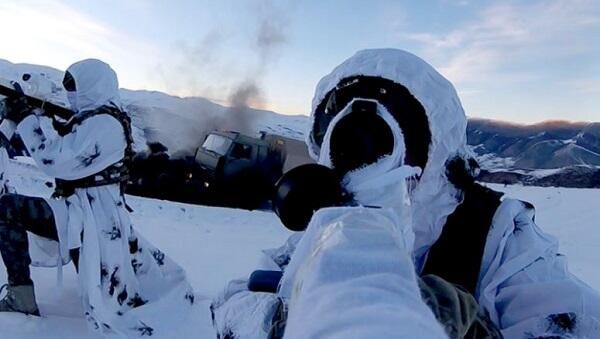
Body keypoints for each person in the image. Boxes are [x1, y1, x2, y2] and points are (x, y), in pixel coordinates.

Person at [212, 49, 600, 338]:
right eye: (342, 119)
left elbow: (572, 320)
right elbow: (229, 302)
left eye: (398, 122)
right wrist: (277, 318)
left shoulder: (496, 231)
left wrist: (467, 328)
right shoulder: (326, 224)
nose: (362, 144)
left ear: (435, 146)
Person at [0, 59, 194, 337]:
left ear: (93, 86)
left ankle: (21, 298)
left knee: (8, 208)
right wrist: (37, 115)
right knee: (98, 276)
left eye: (75, 87)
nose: (70, 94)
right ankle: (24, 294)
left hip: (91, 214)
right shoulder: (98, 117)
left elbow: (57, 158)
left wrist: (27, 120)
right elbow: (68, 142)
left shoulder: (104, 124)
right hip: (81, 209)